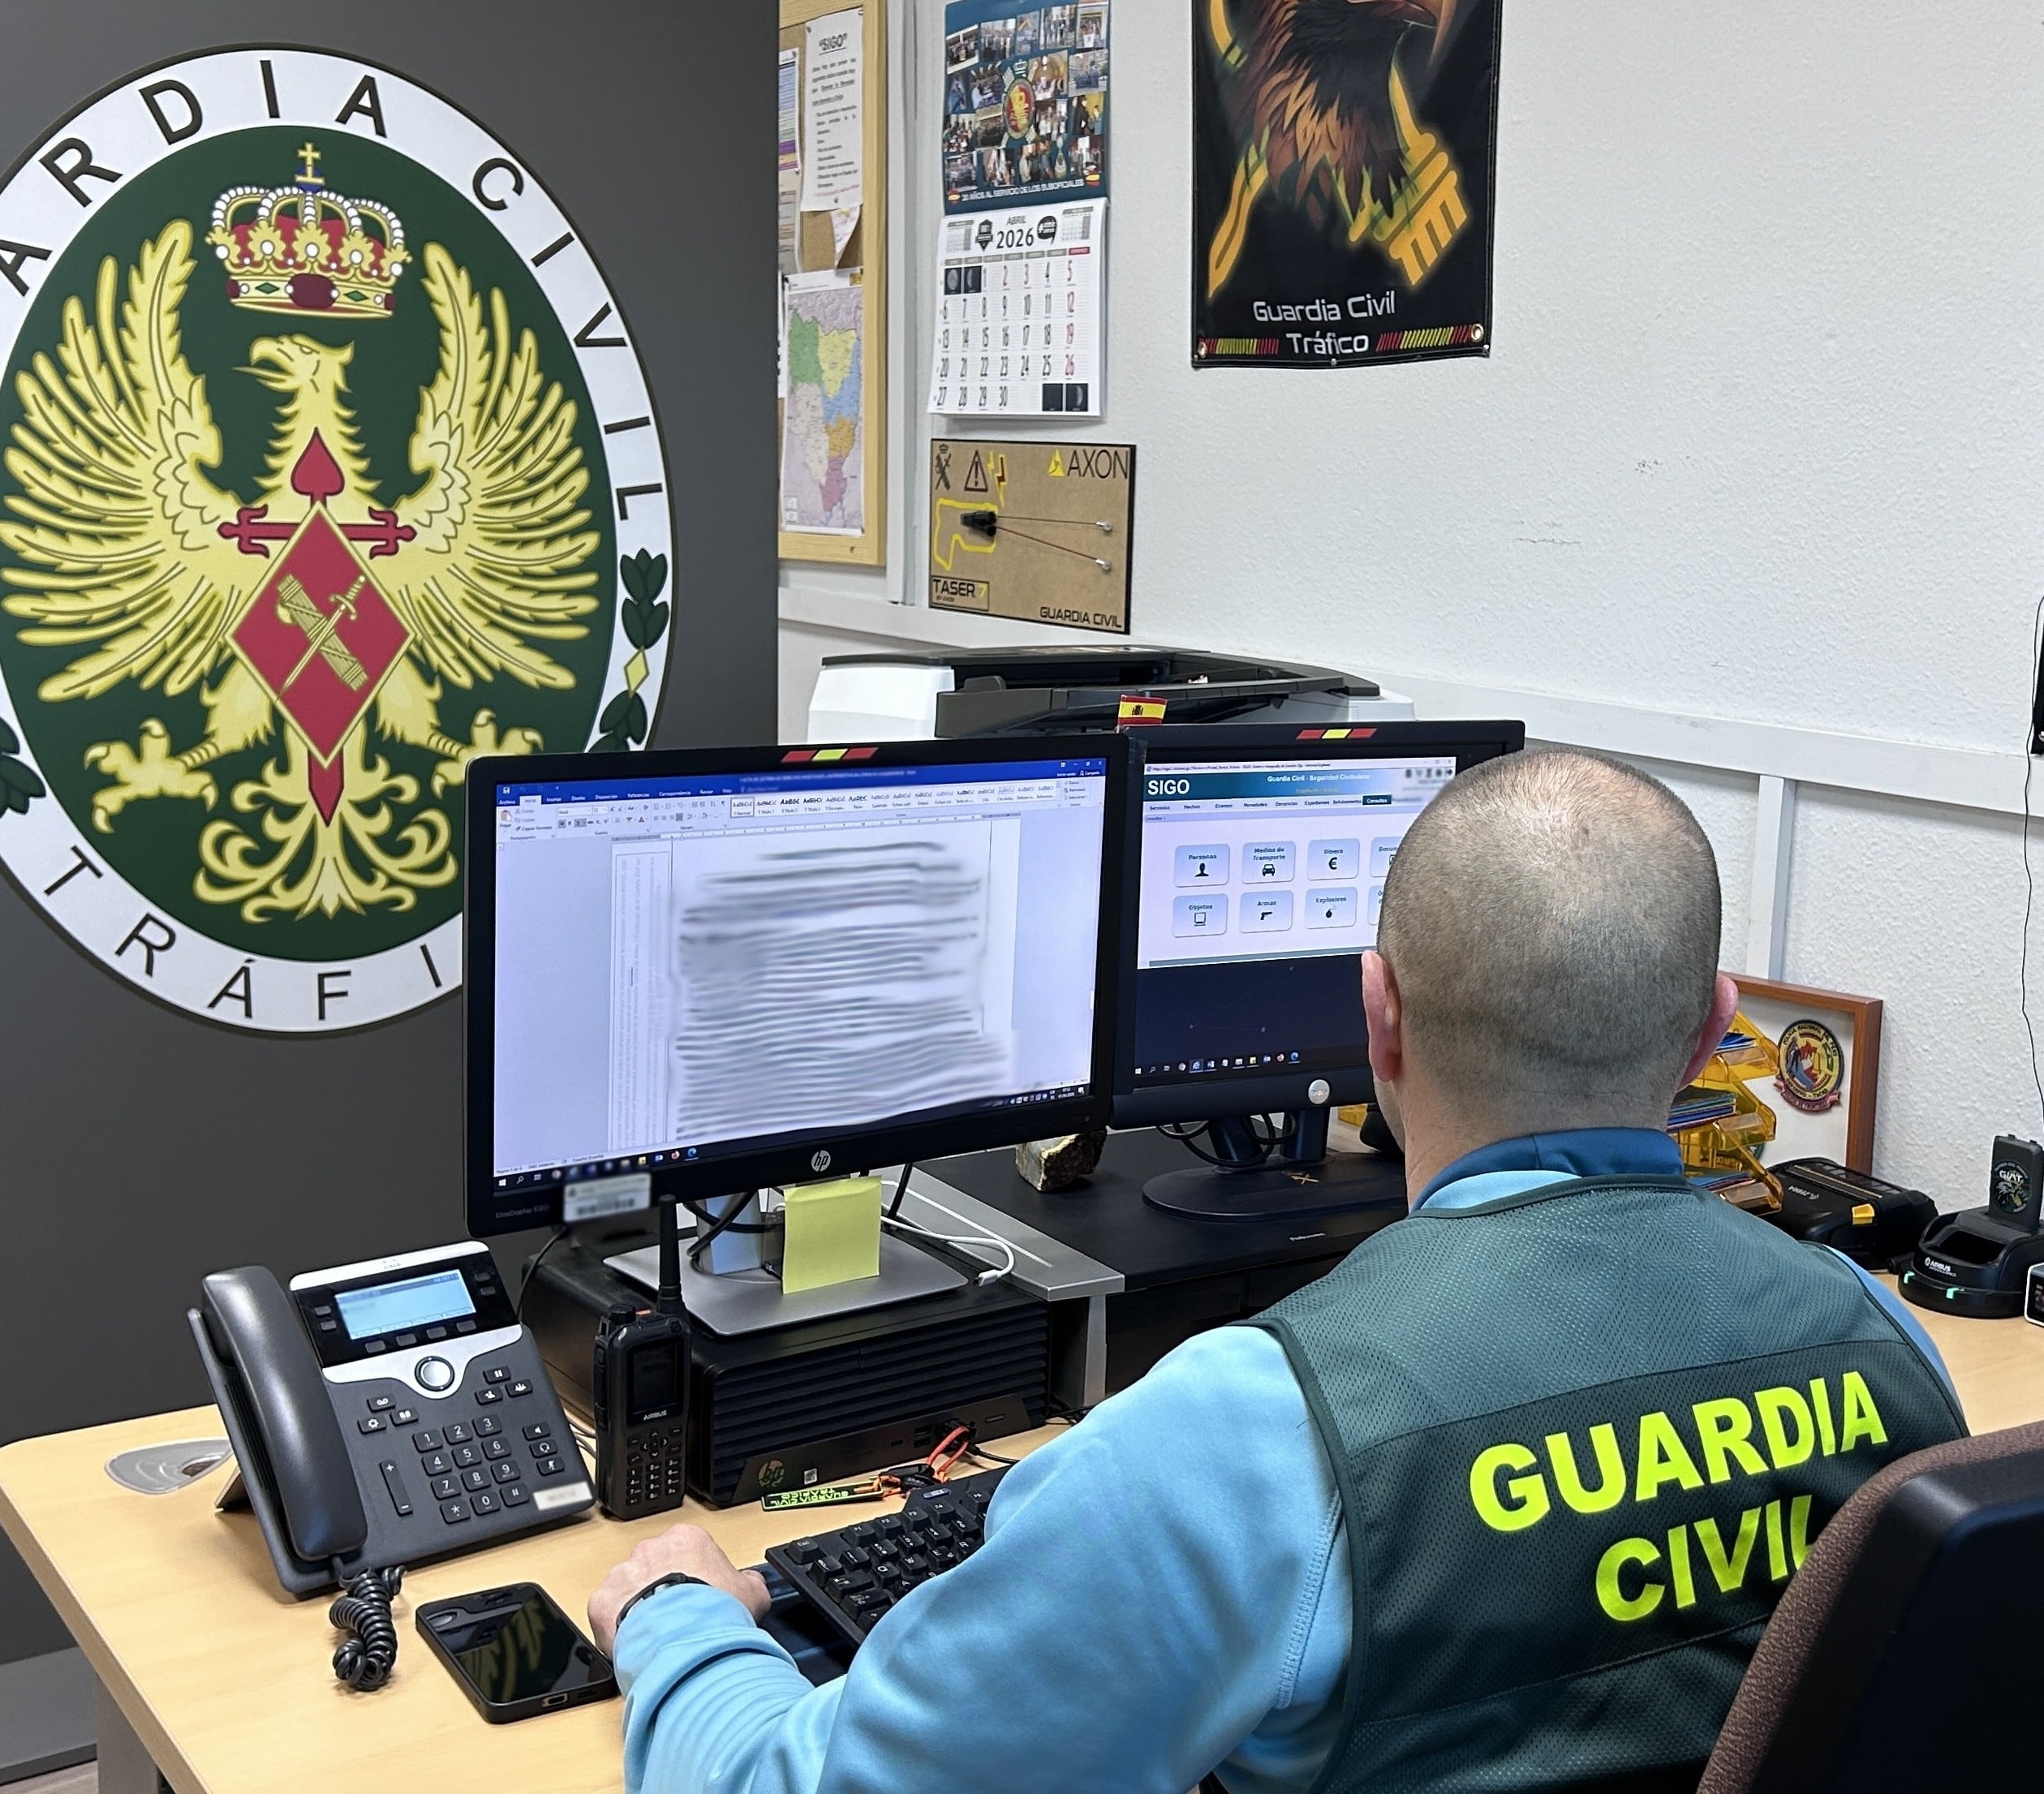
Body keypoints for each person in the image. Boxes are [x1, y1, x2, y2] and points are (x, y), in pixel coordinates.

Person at [588, 751, 1965, 1794]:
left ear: (1378, 1017)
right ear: (1715, 1031)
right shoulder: (1883, 1346)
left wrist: (677, 1622)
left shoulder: (1254, 1436)